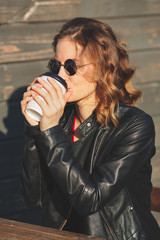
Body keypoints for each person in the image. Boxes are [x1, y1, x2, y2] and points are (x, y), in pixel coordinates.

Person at [20, 17, 160, 239]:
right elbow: (34, 197)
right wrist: (35, 128)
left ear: (103, 67)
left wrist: (49, 131)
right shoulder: (59, 121)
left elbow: (90, 199)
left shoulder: (134, 125)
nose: (60, 75)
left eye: (71, 66)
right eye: (56, 65)